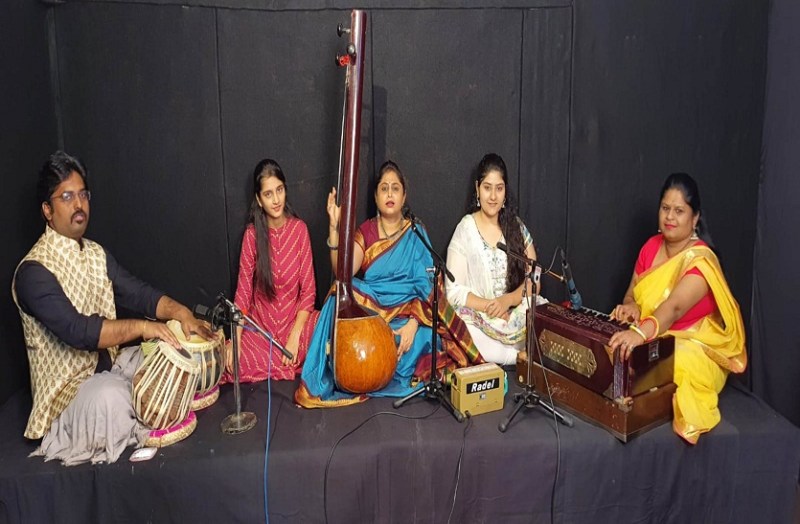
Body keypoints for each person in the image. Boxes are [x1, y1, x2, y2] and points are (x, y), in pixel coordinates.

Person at [12, 151, 214, 465]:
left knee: (165, 351)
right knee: (110, 396)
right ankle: (142, 424)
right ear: (47, 210)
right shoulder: (33, 272)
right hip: (68, 398)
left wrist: (181, 313)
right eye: (67, 197)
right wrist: (143, 327)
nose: (79, 204)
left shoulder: (95, 253)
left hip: (112, 367)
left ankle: (148, 407)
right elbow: (78, 331)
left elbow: (138, 293)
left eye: (83, 195)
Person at [296, 161, 481, 407]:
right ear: (376, 197)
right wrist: (333, 227)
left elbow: (429, 288)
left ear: (404, 196)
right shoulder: (367, 232)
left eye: (395, 188)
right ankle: (322, 381)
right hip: (374, 316)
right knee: (339, 290)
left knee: (426, 339)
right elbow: (343, 272)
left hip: (410, 318)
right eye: (384, 188)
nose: (390, 194)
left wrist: (413, 324)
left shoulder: (415, 232)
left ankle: (375, 369)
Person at [608, 173, 746, 445]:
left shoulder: (701, 261)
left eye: (679, 211)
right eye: (665, 208)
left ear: (695, 218)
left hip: (695, 348)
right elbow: (631, 292)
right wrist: (631, 307)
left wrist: (639, 334)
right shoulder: (650, 247)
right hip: (651, 334)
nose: (670, 217)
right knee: (614, 344)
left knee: (666, 359)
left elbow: (674, 308)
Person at [221, 159, 319, 383]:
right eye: (268, 194)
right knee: (230, 362)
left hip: (295, 325)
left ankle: (288, 356)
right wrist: (236, 340)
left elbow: (309, 293)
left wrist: (294, 337)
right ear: (258, 199)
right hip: (260, 333)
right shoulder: (252, 236)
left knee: (327, 327)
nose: (276, 200)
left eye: (279, 190)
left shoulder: (299, 230)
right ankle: (285, 361)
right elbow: (243, 294)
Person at [445, 153, 539, 365]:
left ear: (506, 191)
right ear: (477, 188)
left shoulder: (515, 226)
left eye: (499, 188)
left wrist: (508, 301)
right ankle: (517, 357)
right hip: (481, 316)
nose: (493, 196)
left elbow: (535, 279)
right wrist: (491, 306)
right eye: (487, 188)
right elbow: (454, 291)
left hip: (514, 311)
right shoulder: (465, 229)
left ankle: (522, 352)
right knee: (462, 330)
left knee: (543, 319)